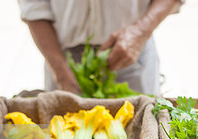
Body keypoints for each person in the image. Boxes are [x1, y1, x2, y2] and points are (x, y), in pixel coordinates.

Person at [18, 0, 183, 96]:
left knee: (141, 131)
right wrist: (60, 70)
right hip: (62, 59)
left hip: (131, 52)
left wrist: (140, 32)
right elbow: (33, 5)